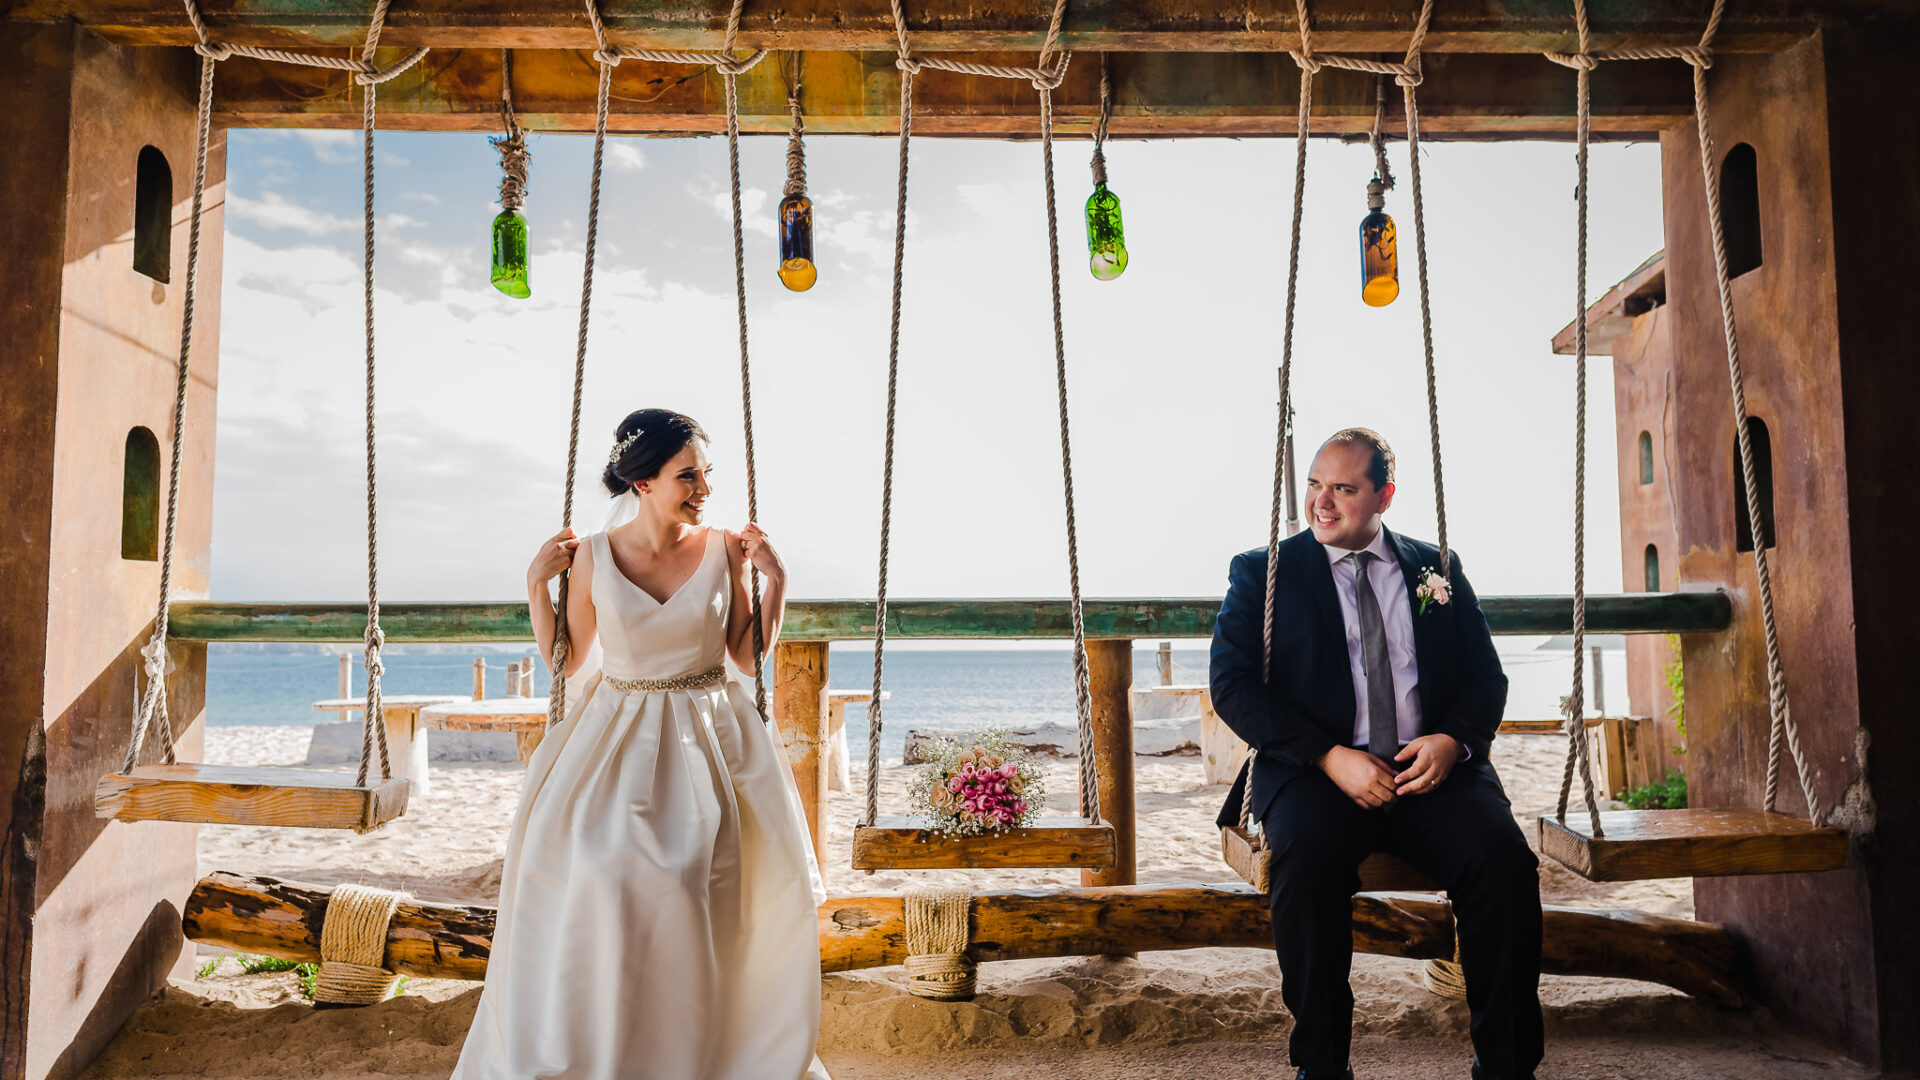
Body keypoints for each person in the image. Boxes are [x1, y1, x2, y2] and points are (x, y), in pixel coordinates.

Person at [452, 409, 830, 1080]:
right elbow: (568, 664)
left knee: (696, 885)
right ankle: (614, 1045)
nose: (704, 489)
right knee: (606, 875)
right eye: (689, 476)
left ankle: (701, 1050)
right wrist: (536, 584)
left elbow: (747, 658)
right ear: (643, 480)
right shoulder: (593, 556)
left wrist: (776, 582)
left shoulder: (724, 550)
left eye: (706, 474)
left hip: (713, 737)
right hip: (617, 737)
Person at [1210, 428, 1543, 1080]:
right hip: (1318, 773)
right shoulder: (1264, 571)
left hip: (1432, 773)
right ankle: (1322, 1068)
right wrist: (1329, 756)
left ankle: (1507, 1067)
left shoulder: (1435, 568)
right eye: (1314, 485)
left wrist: (1454, 741)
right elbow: (1231, 684)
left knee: (1504, 864)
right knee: (1303, 866)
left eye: (1343, 488)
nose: (1321, 503)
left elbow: (1485, 678)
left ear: (1384, 494)